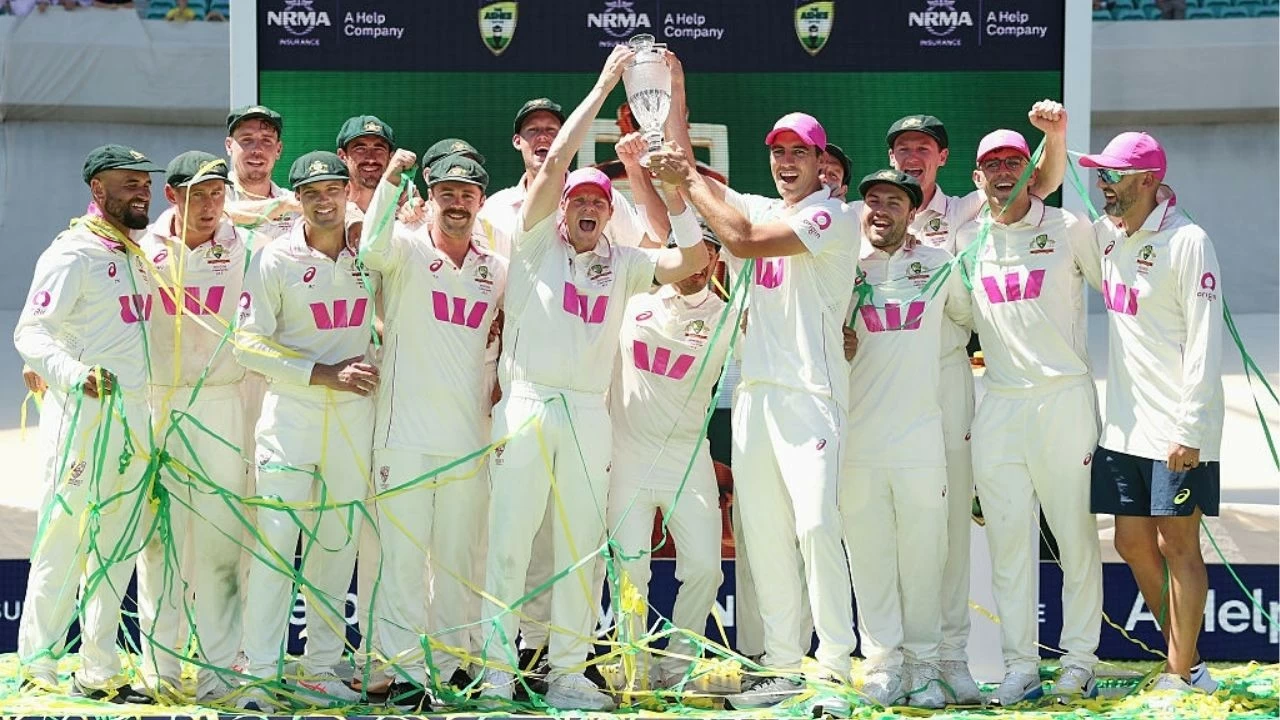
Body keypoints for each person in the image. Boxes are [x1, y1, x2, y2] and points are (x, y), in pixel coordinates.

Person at [476, 45, 707, 712]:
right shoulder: (534, 242)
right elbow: (552, 164)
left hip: (587, 415)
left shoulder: (624, 260)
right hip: (524, 405)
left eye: (595, 203)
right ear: (560, 208)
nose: (584, 208)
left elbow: (691, 258)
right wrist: (606, 84)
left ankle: (569, 673)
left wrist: (675, 191)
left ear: (607, 214)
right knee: (510, 543)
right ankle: (497, 672)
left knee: (580, 547)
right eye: (575, 199)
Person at [650, 111, 860, 712]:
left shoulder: (832, 215)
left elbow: (737, 239)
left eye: (800, 152)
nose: (787, 161)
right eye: (778, 151)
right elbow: (694, 170)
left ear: (822, 163)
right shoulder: (761, 206)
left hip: (810, 398)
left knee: (817, 528)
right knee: (764, 538)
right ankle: (784, 667)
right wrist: (676, 93)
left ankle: (835, 669)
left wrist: (685, 180)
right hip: (754, 399)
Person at [882, 105, 1067, 704]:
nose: (912, 158)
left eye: (923, 149)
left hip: (947, 376)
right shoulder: (870, 213)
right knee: (894, 526)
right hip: (883, 384)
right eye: (903, 150)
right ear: (892, 160)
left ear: (942, 159)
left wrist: (1053, 137)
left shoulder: (965, 211)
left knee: (954, 525)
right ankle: (900, 663)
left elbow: (1041, 182)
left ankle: (953, 660)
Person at [954, 129, 1104, 706]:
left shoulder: (1069, 229)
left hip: (1062, 399)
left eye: (1013, 161)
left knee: (1073, 538)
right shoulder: (969, 239)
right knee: (1010, 542)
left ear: (1032, 169)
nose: (1001, 172)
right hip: (1000, 401)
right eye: (990, 164)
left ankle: (1079, 660)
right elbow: (959, 317)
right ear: (976, 178)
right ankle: (1020, 665)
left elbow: (1119, 293)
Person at [356, 149, 507, 708]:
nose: (457, 203)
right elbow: (370, 248)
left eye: (467, 194)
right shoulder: (406, 249)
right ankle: (405, 673)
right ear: (432, 197)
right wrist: (391, 184)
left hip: (468, 439)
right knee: (401, 561)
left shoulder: (497, 269)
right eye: (446, 193)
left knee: (456, 561)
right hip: (404, 437)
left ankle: (451, 666)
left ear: (481, 202)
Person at [232, 151, 380, 710]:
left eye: (333, 190)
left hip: (352, 417)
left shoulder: (369, 254)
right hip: (291, 415)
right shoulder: (273, 258)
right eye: (311, 192)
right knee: (275, 546)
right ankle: (259, 674)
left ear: (347, 192)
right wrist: (323, 373)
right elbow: (247, 342)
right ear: (297, 199)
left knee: (336, 546)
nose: (324, 200)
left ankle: (320, 668)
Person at [14, 145, 162, 697]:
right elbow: (31, 331)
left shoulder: (138, 253)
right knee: (65, 539)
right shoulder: (72, 252)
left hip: (134, 423)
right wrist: (72, 374)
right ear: (98, 191)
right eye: (128, 183)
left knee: (116, 545)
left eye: (144, 182)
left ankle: (99, 669)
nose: (141, 191)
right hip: (83, 419)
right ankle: (39, 665)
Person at [1081, 132, 1223, 693]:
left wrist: (1189, 430)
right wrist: (1055, 138)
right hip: (1123, 428)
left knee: (1177, 545)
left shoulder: (1190, 241)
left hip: (1177, 431)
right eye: (1100, 175)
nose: (1102, 185)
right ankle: (1188, 662)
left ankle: (1177, 672)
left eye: (1112, 176)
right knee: (1132, 544)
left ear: (1146, 180)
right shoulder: (1106, 237)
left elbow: (1207, 342)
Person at [840, 169, 972, 709]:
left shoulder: (941, 265)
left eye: (893, 201)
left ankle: (924, 664)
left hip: (922, 439)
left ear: (912, 212)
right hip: (858, 441)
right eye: (872, 200)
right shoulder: (843, 269)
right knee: (870, 559)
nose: (880, 210)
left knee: (923, 559)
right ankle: (883, 665)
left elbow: (967, 321)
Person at [133, 151, 248, 704]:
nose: (209, 206)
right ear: (173, 196)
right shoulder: (142, 250)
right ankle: (159, 670)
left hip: (221, 404)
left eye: (217, 194)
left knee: (223, 541)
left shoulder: (243, 245)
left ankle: (219, 672)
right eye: (197, 194)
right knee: (161, 543)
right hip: (159, 404)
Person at [607, 199, 731, 690]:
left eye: (708, 255)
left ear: (717, 261)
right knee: (631, 568)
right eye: (687, 252)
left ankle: (678, 669)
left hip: (687, 458)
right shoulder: (632, 300)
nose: (698, 265)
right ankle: (632, 669)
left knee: (705, 568)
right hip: (628, 454)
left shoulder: (729, 318)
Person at [224, 105, 299, 250]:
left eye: (266, 140)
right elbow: (222, 212)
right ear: (229, 146)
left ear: (278, 149)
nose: (257, 149)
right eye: (247, 139)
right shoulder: (212, 197)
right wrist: (283, 205)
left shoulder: (292, 203)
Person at [336, 115, 397, 216]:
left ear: (391, 157)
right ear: (342, 156)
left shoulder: (405, 213)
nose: (371, 158)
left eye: (379, 149)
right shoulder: (330, 213)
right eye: (360, 149)